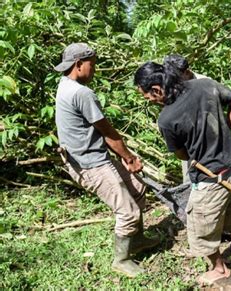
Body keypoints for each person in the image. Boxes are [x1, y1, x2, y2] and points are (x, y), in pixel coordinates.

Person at [134, 62, 231, 284]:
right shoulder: (204, 85)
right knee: (230, 215)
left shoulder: (166, 119)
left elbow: (182, 156)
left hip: (210, 178)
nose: (148, 101)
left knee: (198, 228)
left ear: (156, 89)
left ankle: (219, 269)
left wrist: (203, 145)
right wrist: (223, 132)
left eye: (147, 96)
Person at [54, 43, 158, 278]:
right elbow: (108, 132)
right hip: (91, 164)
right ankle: (120, 260)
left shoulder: (64, 85)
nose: (95, 69)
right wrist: (129, 158)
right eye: (93, 64)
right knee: (128, 212)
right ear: (79, 64)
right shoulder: (81, 93)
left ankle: (138, 240)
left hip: (93, 156)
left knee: (138, 190)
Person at [163, 54, 209, 184]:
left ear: (186, 72)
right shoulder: (171, 86)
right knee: (190, 176)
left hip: (207, 135)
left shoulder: (204, 82)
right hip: (187, 139)